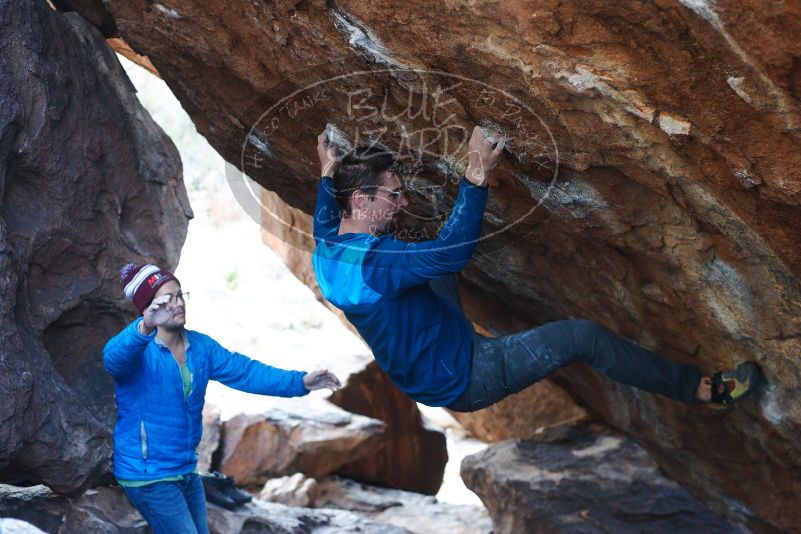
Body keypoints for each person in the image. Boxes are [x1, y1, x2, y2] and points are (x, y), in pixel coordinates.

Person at [310, 126, 762, 413]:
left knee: (432, 262)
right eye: (394, 194)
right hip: (466, 376)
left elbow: (323, 211)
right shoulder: (381, 263)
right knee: (579, 337)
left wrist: (328, 169)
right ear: (362, 201)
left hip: (423, 361)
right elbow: (450, 256)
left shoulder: (328, 243)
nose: (403, 201)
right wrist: (476, 174)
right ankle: (701, 390)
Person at [103, 263, 341, 534]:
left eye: (180, 295)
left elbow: (247, 372)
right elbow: (112, 360)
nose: (178, 304)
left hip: (184, 469)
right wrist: (144, 327)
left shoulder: (201, 347)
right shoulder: (138, 351)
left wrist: (300, 382)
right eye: (166, 299)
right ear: (148, 308)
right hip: (146, 475)